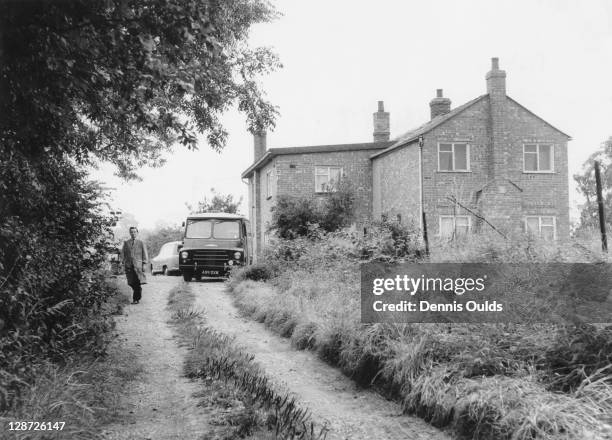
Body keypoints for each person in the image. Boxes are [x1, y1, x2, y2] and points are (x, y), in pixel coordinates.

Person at [121, 226, 149, 304]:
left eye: (134, 232)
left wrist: (144, 264)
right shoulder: (126, 243)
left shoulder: (141, 242)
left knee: (137, 281)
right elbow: (123, 253)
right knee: (131, 282)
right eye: (131, 232)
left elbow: (145, 254)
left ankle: (136, 299)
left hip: (138, 266)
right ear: (130, 233)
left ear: (137, 233)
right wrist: (122, 262)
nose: (133, 233)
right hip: (129, 266)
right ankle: (138, 291)